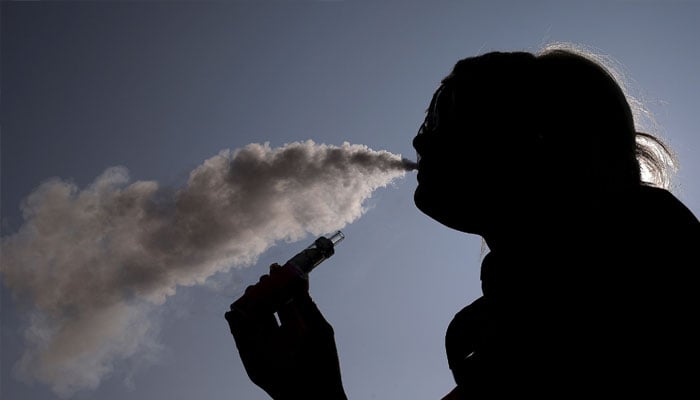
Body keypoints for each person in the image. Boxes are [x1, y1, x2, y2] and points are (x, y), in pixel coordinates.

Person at [225, 45, 700, 399]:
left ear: (533, 143)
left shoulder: (641, 273)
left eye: (442, 115)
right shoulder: (503, 318)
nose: (419, 140)